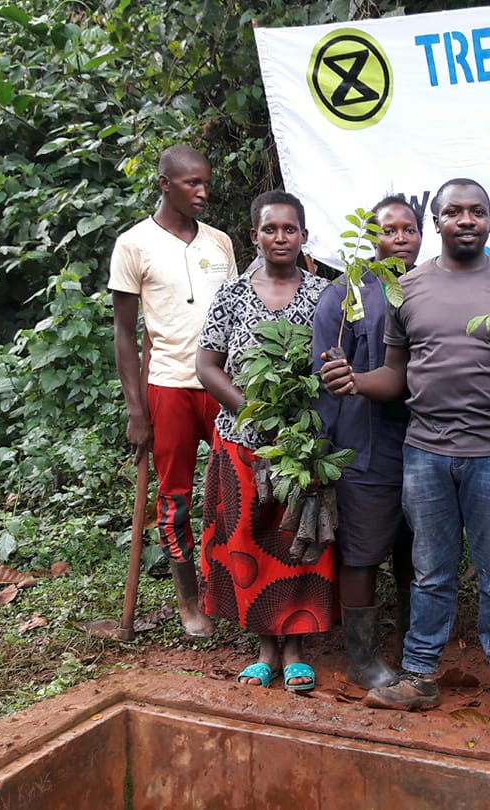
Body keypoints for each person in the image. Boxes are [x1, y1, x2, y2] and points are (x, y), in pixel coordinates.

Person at [320, 178, 490, 728]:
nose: (466, 220)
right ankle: (421, 676)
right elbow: (396, 374)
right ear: (439, 222)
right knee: (429, 571)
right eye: (454, 212)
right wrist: (354, 380)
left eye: (477, 211)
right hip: (425, 449)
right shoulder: (410, 290)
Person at [196, 190, 333, 691]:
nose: (280, 237)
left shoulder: (325, 296)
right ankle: (263, 647)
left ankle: (296, 646)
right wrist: (250, 410)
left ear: (304, 236)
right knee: (249, 537)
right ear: (253, 236)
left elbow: (337, 365)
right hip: (243, 441)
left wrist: (300, 420)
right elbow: (207, 366)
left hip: (302, 444)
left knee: (295, 538)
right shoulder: (232, 296)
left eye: (290, 229)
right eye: (270, 229)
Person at [109, 144, 236, 639]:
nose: (203, 192)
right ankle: (189, 600)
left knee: (237, 491)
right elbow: (125, 333)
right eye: (191, 184)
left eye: (205, 182)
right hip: (169, 385)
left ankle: (231, 587)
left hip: (223, 385)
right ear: (165, 184)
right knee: (175, 498)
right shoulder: (134, 245)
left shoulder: (220, 243)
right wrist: (136, 410)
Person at [311, 196, 420, 687]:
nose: (399, 238)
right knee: (363, 550)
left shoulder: (430, 285)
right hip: (365, 441)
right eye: (389, 229)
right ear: (372, 237)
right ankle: (363, 657)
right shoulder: (346, 292)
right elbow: (326, 372)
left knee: (417, 551)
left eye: (409, 229)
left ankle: (413, 647)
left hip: (427, 442)